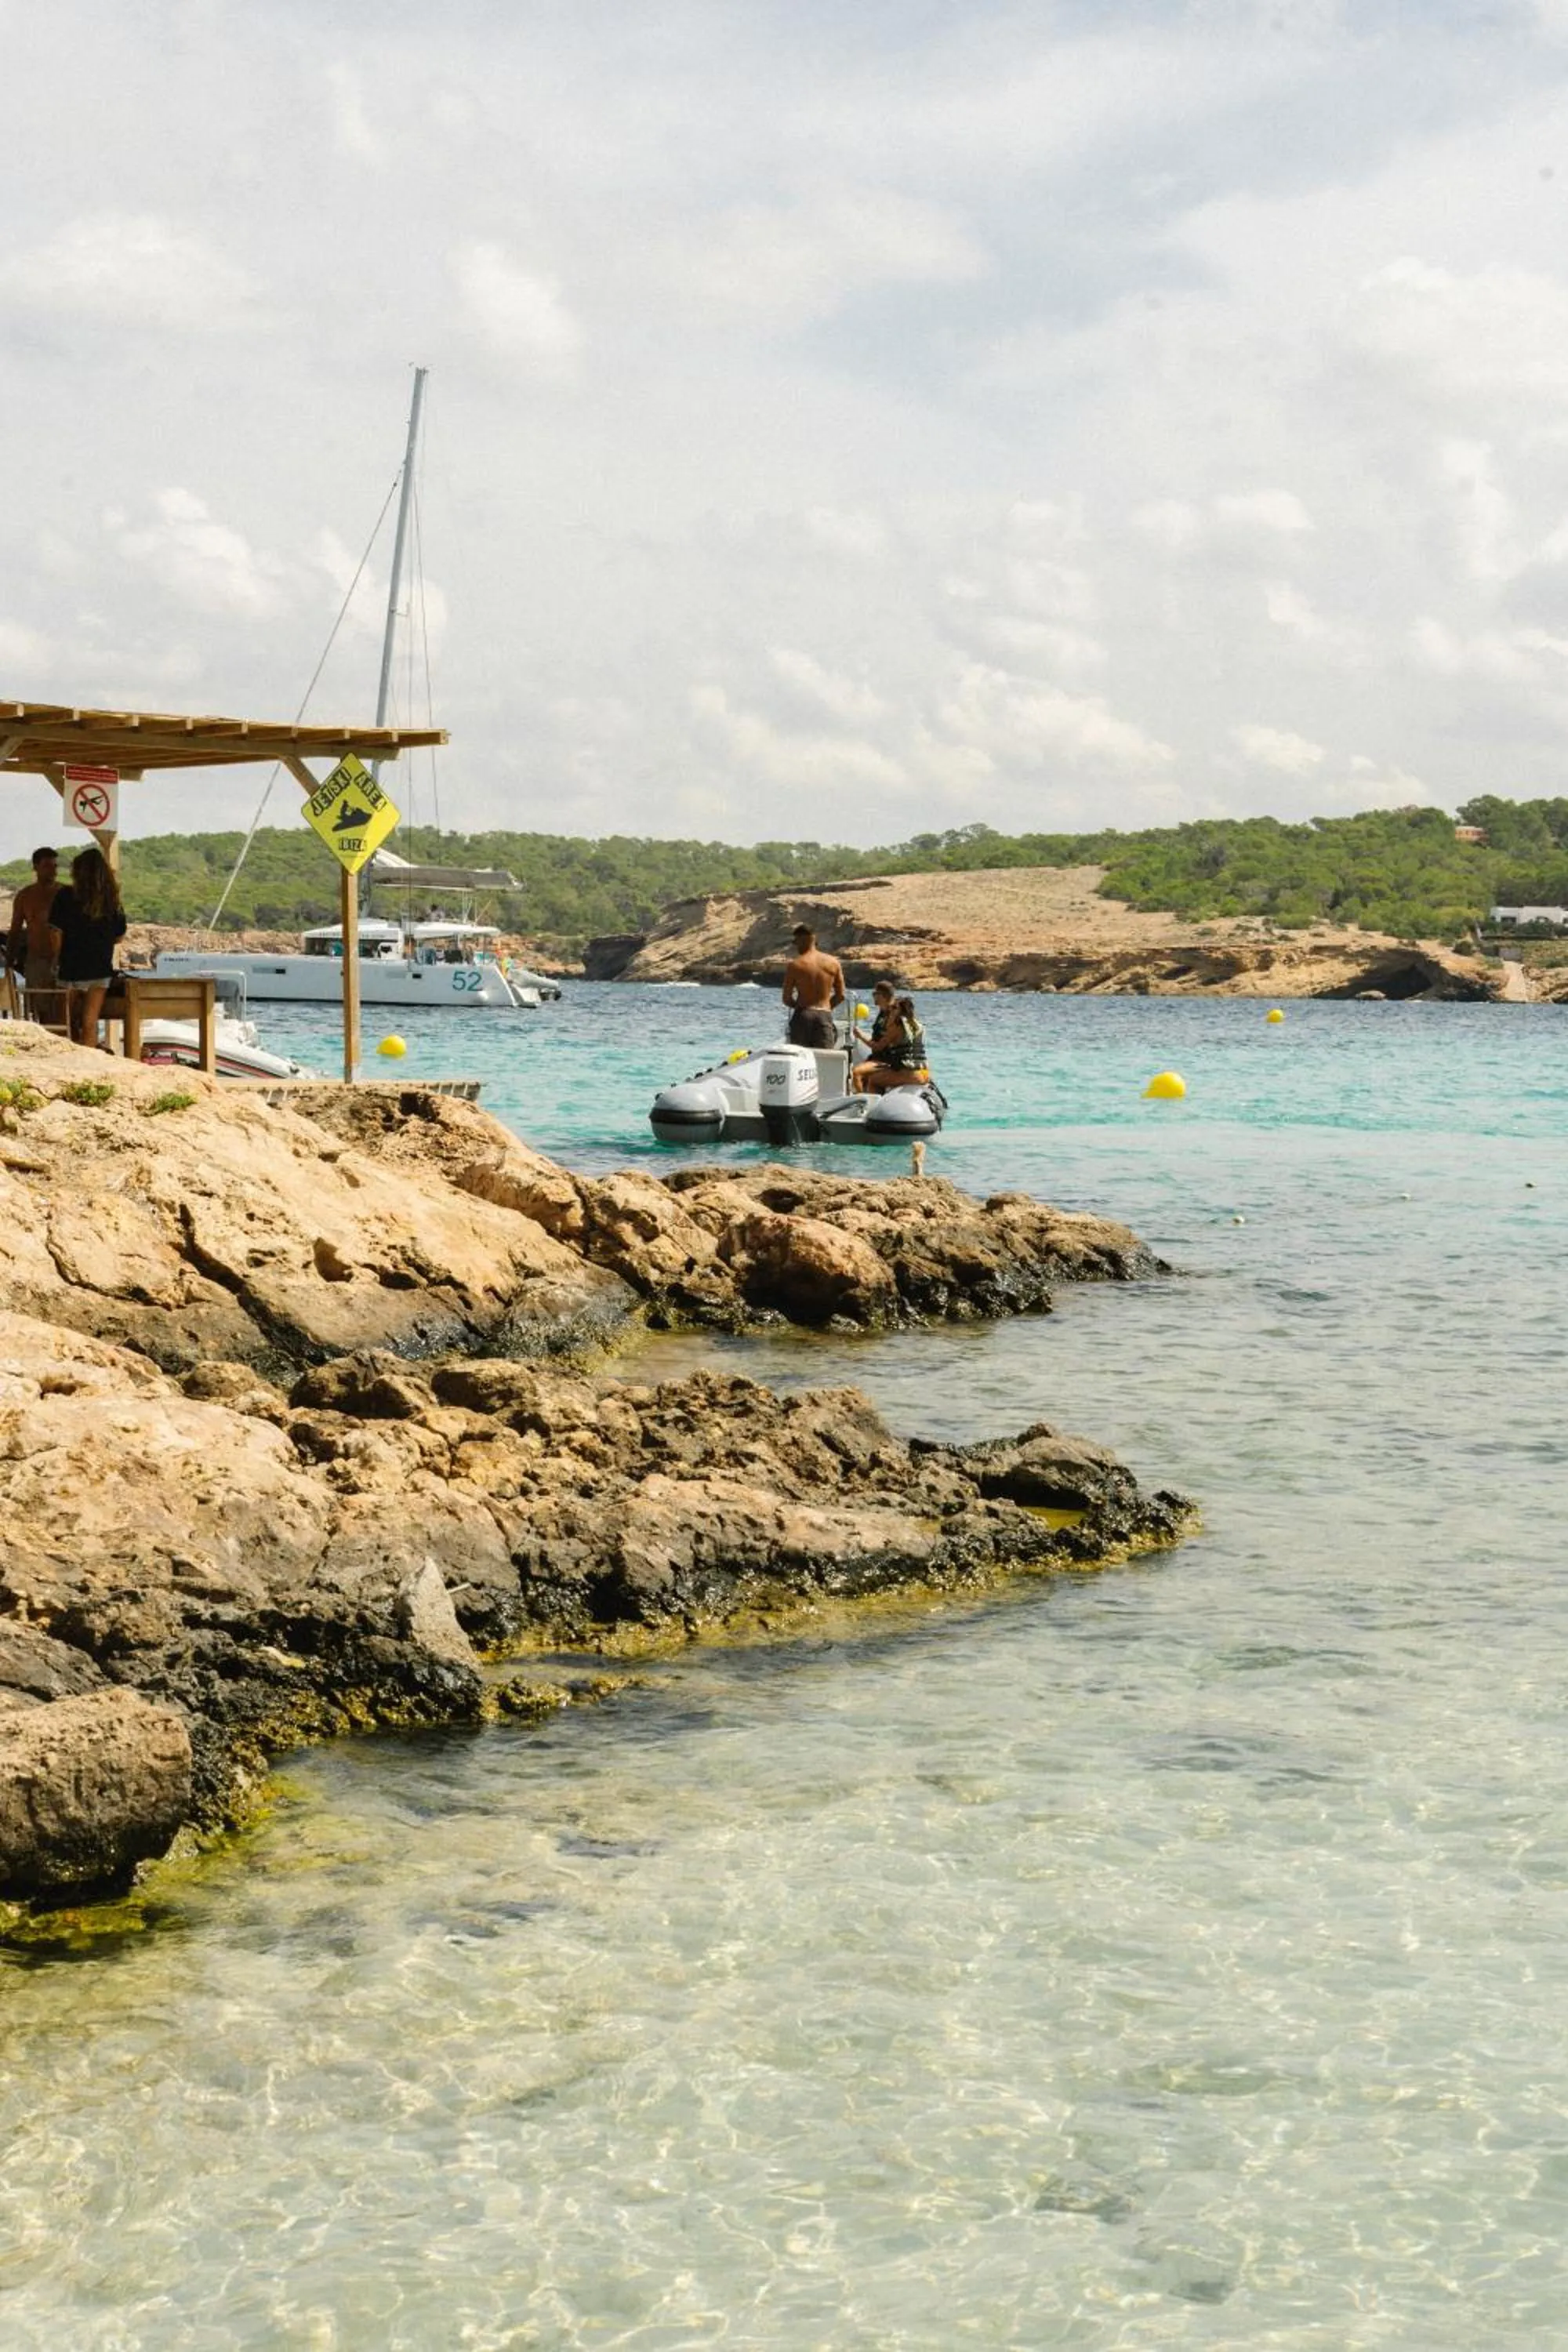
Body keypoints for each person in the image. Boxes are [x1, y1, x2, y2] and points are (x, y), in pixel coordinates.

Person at [47, 845, 126, 1050]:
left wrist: (56, 959)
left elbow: (56, 933)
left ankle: (66, 1060)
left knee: (64, 1022)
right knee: (90, 1023)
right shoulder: (112, 901)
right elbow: (119, 937)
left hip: (70, 967)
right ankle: (89, 1066)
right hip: (99, 968)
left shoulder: (65, 896)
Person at [4, 846, 60, 999]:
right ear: (36, 867)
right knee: (38, 1006)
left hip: (63, 961)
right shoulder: (25, 896)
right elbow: (15, 931)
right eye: (47, 866)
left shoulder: (65, 893)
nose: (53, 871)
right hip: (36, 960)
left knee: (64, 1008)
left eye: (55, 866)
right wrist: (9, 962)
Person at [781, 923, 844, 1048]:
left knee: (800, 1060)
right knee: (825, 1059)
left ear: (802, 939)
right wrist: (826, 1009)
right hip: (824, 1016)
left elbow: (786, 999)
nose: (796, 946)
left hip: (803, 1016)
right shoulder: (833, 963)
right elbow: (841, 996)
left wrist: (800, 1008)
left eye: (796, 942)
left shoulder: (795, 965)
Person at [854, 992, 929, 1094]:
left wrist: (860, 1035)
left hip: (910, 1075)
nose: (891, 1010)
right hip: (924, 1073)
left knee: (873, 1080)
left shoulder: (897, 1027)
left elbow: (878, 1047)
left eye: (894, 1008)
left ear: (900, 1010)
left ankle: (869, 1107)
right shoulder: (918, 1025)